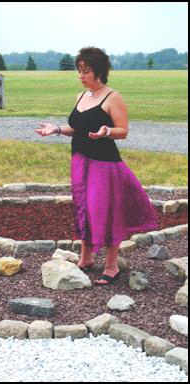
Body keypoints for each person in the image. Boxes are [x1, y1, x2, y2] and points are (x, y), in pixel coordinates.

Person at [35, 47, 158, 285]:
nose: (81, 76)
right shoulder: (81, 97)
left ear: (99, 71)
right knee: (83, 207)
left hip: (105, 165)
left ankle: (111, 266)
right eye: (79, 71)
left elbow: (123, 131)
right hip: (80, 161)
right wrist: (57, 129)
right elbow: (77, 128)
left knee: (105, 210)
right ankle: (86, 258)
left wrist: (107, 131)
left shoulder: (113, 97)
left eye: (85, 71)